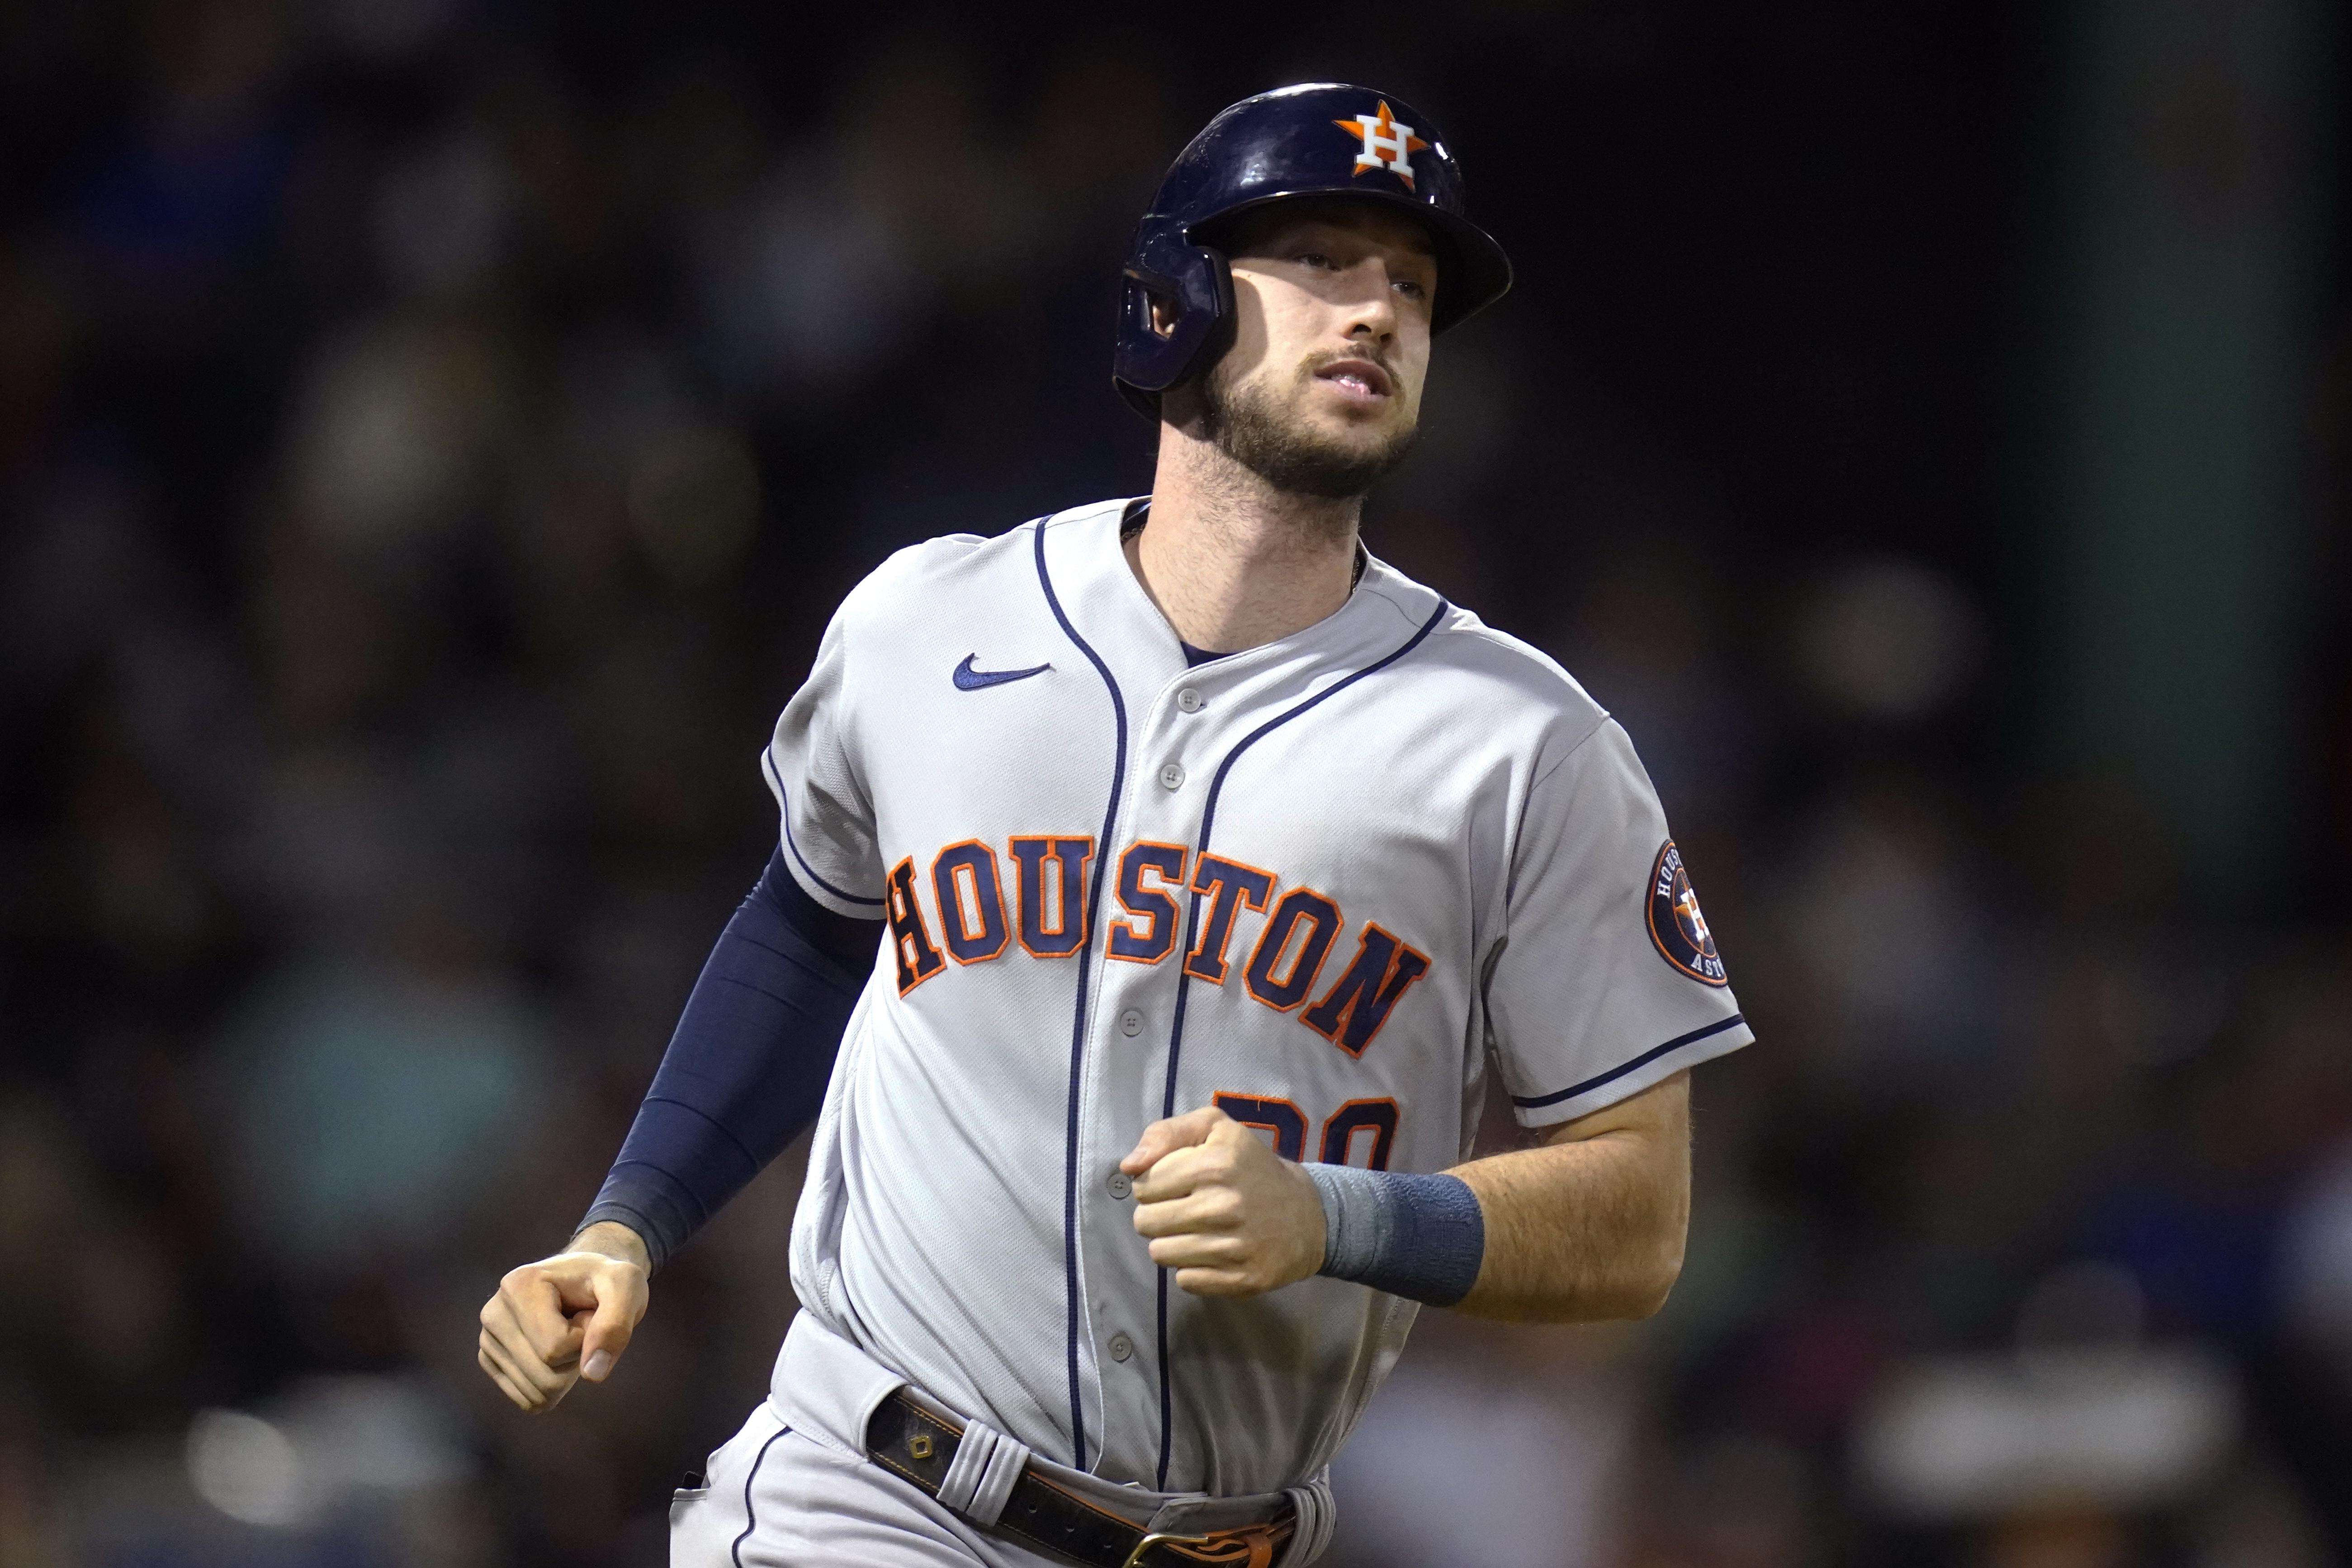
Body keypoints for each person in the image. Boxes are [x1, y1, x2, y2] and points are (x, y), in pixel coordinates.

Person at [476, 83, 1753, 1568]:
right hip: (869, 1492)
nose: (1380, 312)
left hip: (1230, 1536)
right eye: (1322, 260)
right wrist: (628, 1222)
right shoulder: (926, 621)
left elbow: (1638, 1213)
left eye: (1410, 284)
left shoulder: (1524, 745)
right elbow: (811, 924)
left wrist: (1339, 1216)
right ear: (1178, 302)